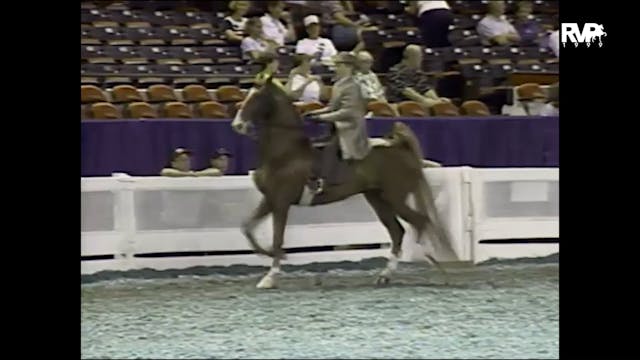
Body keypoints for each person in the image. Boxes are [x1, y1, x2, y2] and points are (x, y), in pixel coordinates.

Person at [304, 52, 370, 193]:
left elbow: (347, 112)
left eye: (338, 65)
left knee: (329, 148)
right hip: (337, 126)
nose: (335, 68)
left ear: (348, 66)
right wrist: (315, 113)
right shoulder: (338, 84)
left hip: (349, 127)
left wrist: (322, 118)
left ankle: (326, 180)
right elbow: (332, 107)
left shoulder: (353, 86)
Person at [386, 44, 449, 109]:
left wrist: (437, 100)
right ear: (409, 56)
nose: (421, 59)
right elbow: (405, 90)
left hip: (418, 102)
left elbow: (425, 88)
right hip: (400, 103)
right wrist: (424, 100)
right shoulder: (395, 71)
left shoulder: (417, 72)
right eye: (418, 56)